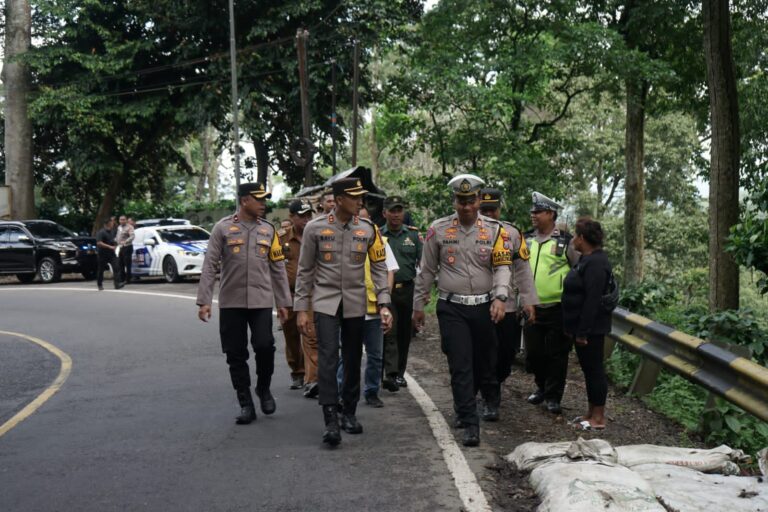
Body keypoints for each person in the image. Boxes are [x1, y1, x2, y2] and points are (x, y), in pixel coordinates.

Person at [413, 174, 512, 447]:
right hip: (451, 306)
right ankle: (470, 421)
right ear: (454, 201)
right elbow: (427, 270)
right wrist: (418, 305)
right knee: (460, 363)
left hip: (483, 306)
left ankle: (465, 404)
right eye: (461, 201)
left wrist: (501, 297)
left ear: (479, 200)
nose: (466, 206)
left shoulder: (494, 230)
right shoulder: (439, 229)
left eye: (471, 201)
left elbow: (503, 266)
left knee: (482, 362)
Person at [294, 178, 393, 446]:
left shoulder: (367, 230)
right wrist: (301, 308)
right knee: (328, 357)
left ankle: (348, 411)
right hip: (325, 302)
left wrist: (384, 303)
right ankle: (330, 418)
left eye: (361, 197)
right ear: (338, 200)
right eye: (354, 197)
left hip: (355, 303)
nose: (360, 201)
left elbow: (380, 267)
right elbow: (304, 272)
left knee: (352, 358)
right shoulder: (315, 229)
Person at [196, 182, 292, 425]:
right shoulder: (223, 228)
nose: (263, 203)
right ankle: (246, 402)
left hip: (261, 300)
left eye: (264, 199)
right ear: (244, 200)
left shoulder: (269, 230)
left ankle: (263, 388)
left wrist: (283, 302)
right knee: (235, 354)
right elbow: (210, 265)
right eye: (258, 199)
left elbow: (278, 268)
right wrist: (204, 300)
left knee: (264, 345)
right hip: (231, 302)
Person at [478, 188, 538, 421]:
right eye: (484, 210)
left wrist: (530, 301)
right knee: (484, 352)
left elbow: (523, 270)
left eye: (492, 209)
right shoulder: (470, 232)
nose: (489, 214)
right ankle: (490, 397)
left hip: (509, 306)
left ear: (499, 209)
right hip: (480, 305)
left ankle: (494, 382)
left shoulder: (512, 233)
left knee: (505, 354)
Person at [336, 206, 398, 408]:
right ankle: (340, 391)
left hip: (373, 309)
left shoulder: (380, 240)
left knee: (375, 355)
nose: (360, 225)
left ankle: (371, 391)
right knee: (346, 355)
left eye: (364, 220)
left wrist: (384, 302)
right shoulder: (342, 240)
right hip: (349, 307)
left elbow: (388, 270)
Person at [523, 192, 579, 415]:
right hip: (531, 306)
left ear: (550, 214)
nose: (533, 215)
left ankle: (554, 396)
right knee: (534, 353)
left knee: (557, 354)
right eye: (532, 211)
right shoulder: (526, 239)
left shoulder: (566, 241)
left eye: (537, 212)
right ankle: (541, 387)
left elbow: (578, 270)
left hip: (558, 307)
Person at [562, 217, 612, 431]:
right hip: (580, 327)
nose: (573, 239)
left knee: (594, 370)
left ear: (582, 238)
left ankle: (599, 417)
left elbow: (592, 299)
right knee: (588, 370)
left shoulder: (596, 263)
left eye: (575, 235)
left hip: (591, 330)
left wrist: (583, 332)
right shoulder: (586, 259)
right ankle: (590, 412)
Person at [381, 196, 422, 392]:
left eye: (399, 210)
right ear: (385, 213)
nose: (396, 214)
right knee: (390, 331)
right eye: (392, 211)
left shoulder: (413, 236)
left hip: (408, 290)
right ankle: (390, 373)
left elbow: (423, 265)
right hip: (386, 291)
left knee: (405, 334)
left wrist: (423, 293)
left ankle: (399, 373)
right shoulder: (378, 235)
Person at [278, 199, 317, 394]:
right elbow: (273, 269)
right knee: (291, 335)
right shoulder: (281, 239)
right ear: (291, 217)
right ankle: (297, 371)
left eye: (309, 215)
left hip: (313, 294)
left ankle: (313, 379)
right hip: (288, 295)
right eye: (302, 216)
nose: (306, 220)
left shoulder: (318, 235)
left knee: (310, 334)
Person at [95, 217, 123, 291]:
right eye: (111, 223)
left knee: (116, 267)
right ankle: (99, 284)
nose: (112, 224)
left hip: (111, 254)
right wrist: (109, 246)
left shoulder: (112, 231)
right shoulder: (101, 232)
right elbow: (99, 243)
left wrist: (116, 244)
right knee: (101, 270)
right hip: (102, 254)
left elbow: (117, 230)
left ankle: (117, 284)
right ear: (107, 224)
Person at [116, 215, 134, 286]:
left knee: (127, 263)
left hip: (127, 247)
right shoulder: (119, 227)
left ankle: (128, 279)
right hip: (120, 247)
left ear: (126, 220)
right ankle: (122, 279)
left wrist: (126, 241)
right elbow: (118, 236)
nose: (122, 221)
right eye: (120, 219)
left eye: (123, 219)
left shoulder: (129, 227)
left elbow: (132, 236)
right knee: (120, 263)